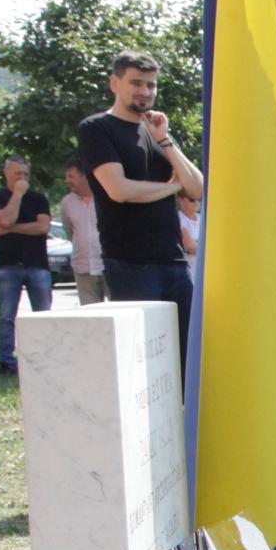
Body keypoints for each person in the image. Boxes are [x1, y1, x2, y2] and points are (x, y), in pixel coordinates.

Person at [78, 50, 205, 365]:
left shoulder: (156, 131)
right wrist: (172, 187)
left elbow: (199, 188)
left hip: (174, 262)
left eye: (151, 85)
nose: (145, 92)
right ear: (114, 83)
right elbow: (119, 190)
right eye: (136, 83)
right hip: (130, 265)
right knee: (148, 365)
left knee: (190, 361)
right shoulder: (97, 128)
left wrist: (165, 141)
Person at [0, 155, 53, 376]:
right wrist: (17, 195)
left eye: (25, 175)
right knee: (6, 316)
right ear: (6, 174)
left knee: (43, 315)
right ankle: (6, 360)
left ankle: (44, 357)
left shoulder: (39, 198)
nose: (22, 179)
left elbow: (42, 227)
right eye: (17, 174)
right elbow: (2, 221)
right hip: (8, 266)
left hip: (37, 265)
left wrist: (11, 227)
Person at [58, 160, 106, 305]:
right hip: (82, 266)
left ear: (84, 176)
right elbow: (70, 230)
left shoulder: (106, 197)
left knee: (118, 310)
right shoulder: (67, 203)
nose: (67, 180)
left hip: (108, 264)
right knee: (89, 314)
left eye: (71, 176)